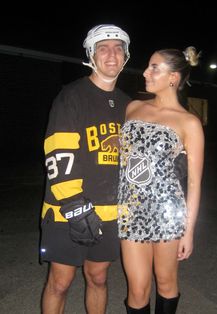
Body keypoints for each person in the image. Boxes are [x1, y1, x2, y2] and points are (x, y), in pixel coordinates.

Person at [40, 24, 131, 314]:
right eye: (103, 48)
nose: (111, 55)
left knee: (99, 278)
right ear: (91, 55)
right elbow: (58, 150)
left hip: (109, 212)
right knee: (60, 282)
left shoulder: (131, 106)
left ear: (126, 56)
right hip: (67, 209)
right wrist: (73, 204)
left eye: (118, 48)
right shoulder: (72, 96)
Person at [117, 47, 204, 313]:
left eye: (154, 67)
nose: (145, 72)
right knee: (137, 287)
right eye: (148, 66)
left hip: (168, 212)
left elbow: (193, 183)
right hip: (131, 209)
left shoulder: (189, 122)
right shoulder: (133, 108)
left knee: (165, 282)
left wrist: (188, 231)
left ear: (173, 78)